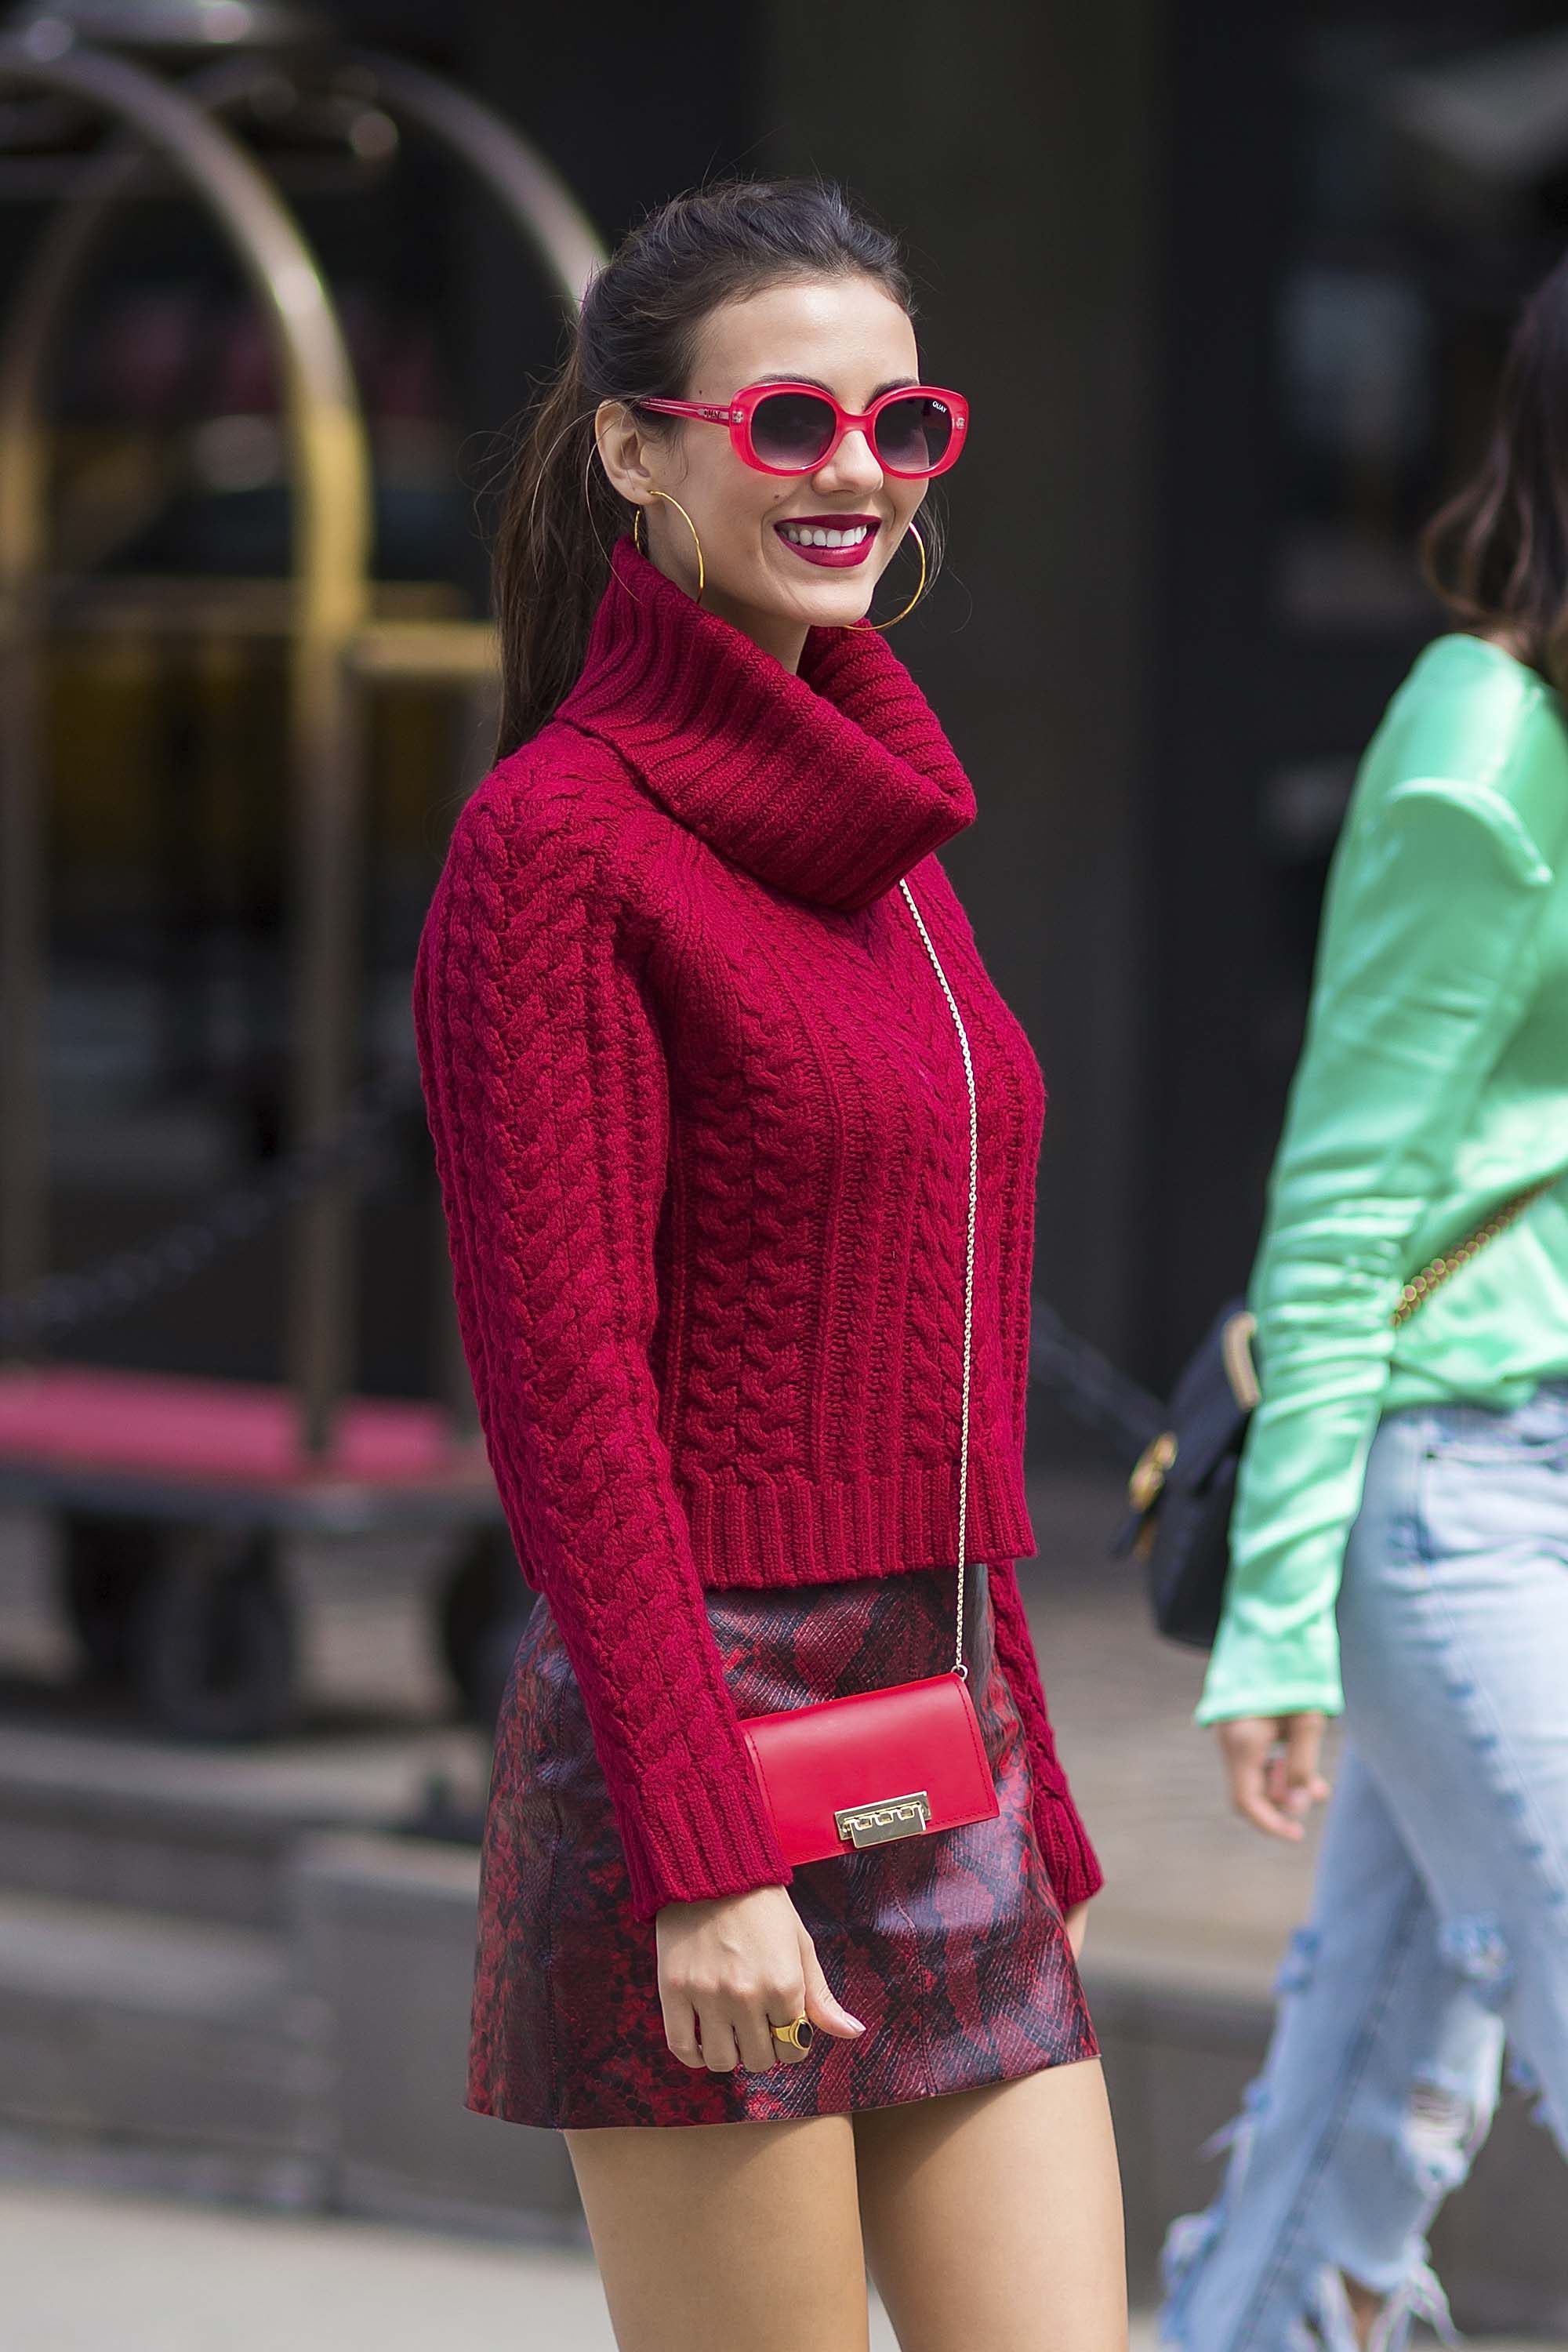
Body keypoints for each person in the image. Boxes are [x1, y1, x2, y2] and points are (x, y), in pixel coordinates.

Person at [414, 180, 1125, 2352]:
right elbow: (572, 1403)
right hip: (689, 1751)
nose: (849, 474)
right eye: (788, 419)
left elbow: (921, 1345)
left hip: (944, 1736)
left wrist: (1025, 1749)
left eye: (899, 427)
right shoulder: (559, 845)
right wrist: (707, 1855)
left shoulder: (884, 834)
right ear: (640, 448)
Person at [1160, 251, 1568, 2352]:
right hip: (1461, 1486)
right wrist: (1281, 1612)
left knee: (1372, 2109)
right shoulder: (1482, 746)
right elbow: (1342, 1204)